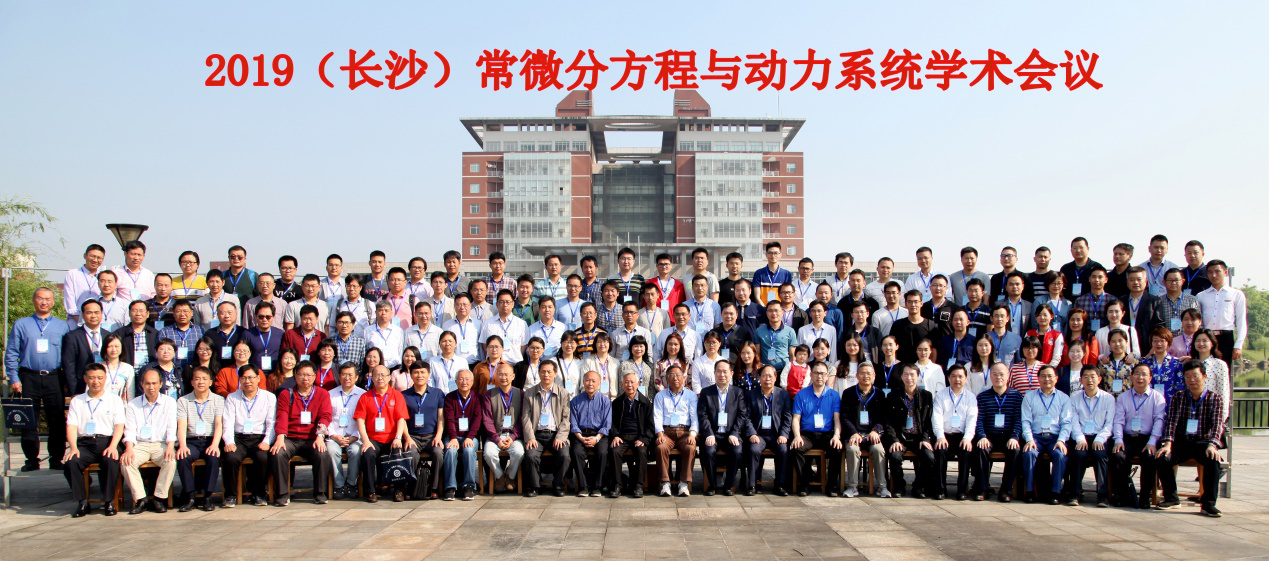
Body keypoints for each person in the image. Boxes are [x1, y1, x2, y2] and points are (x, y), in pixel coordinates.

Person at [5, 287, 71, 471]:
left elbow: (67, 355)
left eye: (48, 299)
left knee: (56, 420)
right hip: (28, 377)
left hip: (54, 377)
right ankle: (31, 460)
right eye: (40, 298)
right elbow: (11, 352)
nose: (44, 302)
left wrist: (67, 381)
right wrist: (13, 378)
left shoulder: (62, 326)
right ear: (34, 300)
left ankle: (56, 459)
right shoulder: (21, 324)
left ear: (53, 302)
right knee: (28, 420)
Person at [1155, 359, 1226, 517]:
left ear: (1204, 377)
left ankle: (1208, 504)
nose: (1192, 380)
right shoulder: (1179, 397)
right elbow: (1171, 422)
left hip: (1203, 442)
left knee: (1213, 461)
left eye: (1195, 376)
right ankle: (1171, 498)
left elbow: (1217, 425)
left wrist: (1212, 445)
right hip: (1182, 442)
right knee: (1162, 457)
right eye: (1188, 377)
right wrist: (1167, 444)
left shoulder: (1215, 399)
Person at [63, 363, 127, 517]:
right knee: (71, 462)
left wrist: (113, 446)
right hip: (85, 443)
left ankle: (109, 501)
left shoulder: (114, 400)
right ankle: (83, 502)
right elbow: (71, 426)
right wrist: (73, 447)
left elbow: (119, 426)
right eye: (91, 378)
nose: (96, 381)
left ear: (105, 379)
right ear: (85, 379)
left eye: (99, 378)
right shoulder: (77, 401)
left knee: (111, 460)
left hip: (107, 441)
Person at [270, 361, 333, 506]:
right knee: (278, 453)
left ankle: (320, 493)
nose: (305, 378)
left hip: (312, 438)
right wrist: (280, 438)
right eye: (302, 374)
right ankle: (282, 494)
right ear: (295, 375)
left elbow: (325, 416)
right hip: (291, 438)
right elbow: (281, 416)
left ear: (315, 376)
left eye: (309, 375)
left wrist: (320, 436)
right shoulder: (286, 394)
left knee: (322, 453)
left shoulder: (322, 394)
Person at [120, 367, 178, 514]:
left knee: (170, 461)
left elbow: (172, 428)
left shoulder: (169, 402)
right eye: (147, 383)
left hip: (161, 444)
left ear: (160, 384)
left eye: (154, 383)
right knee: (126, 462)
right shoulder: (133, 404)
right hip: (140, 444)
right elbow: (130, 430)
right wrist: (129, 449)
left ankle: (159, 498)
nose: (151, 387)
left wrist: (170, 447)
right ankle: (141, 499)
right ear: (142, 385)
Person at [1110, 364, 1166, 509]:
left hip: (1147, 438)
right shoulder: (1123, 397)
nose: (1140, 377)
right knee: (1117, 455)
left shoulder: (1157, 397)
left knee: (1149, 457)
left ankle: (1145, 497)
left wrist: (1152, 442)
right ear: (1131, 377)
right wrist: (1118, 440)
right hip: (1128, 437)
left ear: (1150, 378)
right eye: (1137, 374)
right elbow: (1118, 420)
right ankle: (1123, 494)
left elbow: (1159, 421)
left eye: (1144, 374)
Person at [220, 364, 276, 507]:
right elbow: (227, 422)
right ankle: (230, 495)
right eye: (244, 378)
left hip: (259, 437)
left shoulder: (269, 397)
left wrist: (267, 441)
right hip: (239, 438)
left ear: (258, 378)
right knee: (231, 458)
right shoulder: (232, 397)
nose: (247, 381)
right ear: (239, 380)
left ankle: (259, 494)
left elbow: (271, 423)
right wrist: (229, 442)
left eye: (251, 377)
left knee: (263, 458)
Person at [354, 365, 412, 502]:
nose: (380, 378)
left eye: (383, 375)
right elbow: (360, 420)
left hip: (392, 438)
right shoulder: (365, 397)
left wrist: (398, 437)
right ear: (372, 378)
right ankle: (370, 491)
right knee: (367, 454)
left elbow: (401, 419)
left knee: (398, 452)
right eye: (376, 375)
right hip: (373, 439)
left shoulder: (397, 395)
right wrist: (365, 441)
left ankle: (399, 490)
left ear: (389, 377)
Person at [789, 361, 844, 497]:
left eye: (822, 373)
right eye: (816, 373)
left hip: (826, 434)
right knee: (796, 447)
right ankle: (804, 485)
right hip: (807, 434)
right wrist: (797, 436)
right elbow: (796, 419)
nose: (819, 376)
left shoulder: (834, 395)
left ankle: (831, 486)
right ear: (811, 375)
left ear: (827, 376)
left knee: (837, 448)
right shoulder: (801, 394)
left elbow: (837, 420)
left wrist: (836, 436)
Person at [174, 366, 224, 512]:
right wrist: (182, 445)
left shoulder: (218, 400)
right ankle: (190, 497)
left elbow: (219, 423)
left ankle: (208, 497)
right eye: (197, 379)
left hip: (210, 440)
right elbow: (181, 425)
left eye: (204, 379)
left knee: (213, 458)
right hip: (192, 441)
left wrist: (215, 444)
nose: (201, 382)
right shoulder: (183, 401)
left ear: (210, 382)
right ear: (192, 382)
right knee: (183, 457)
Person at [1020, 365, 1072, 504]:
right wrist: (1029, 439)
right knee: (1029, 453)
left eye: (1050, 376)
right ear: (1038, 378)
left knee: (1060, 455)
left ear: (1056, 378)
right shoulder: (1029, 397)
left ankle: (1055, 492)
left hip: (1055, 437)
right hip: (1036, 437)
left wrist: (1061, 440)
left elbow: (1066, 423)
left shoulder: (1064, 398)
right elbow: (1026, 421)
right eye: (1043, 376)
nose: (1046, 379)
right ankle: (1030, 491)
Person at [1062, 367, 1114, 507]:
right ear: (1080, 380)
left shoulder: (1108, 399)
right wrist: (1080, 438)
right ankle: (1075, 494)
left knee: (1100, 454)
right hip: (1081, 436)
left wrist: (1100, 438)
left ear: (1099, 379)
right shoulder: (1074, 399)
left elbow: (1109, 423)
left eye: (1093, 376)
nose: (1089, 380)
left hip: (1100, 436)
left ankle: (1102, 496)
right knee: (1078, 454)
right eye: (1085, 377)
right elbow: (1073, 422)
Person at [521, 361, 572, 497]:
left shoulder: (563, 393)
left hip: (556, 434)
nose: (546, 375)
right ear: (539, 373)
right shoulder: (529, 393)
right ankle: (535, 486)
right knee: (531, 455)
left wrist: (560, 437)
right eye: (543, 371)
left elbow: (566, 419)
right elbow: (525, 418)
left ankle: (558, 485)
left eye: (549, 372)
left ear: (555, 374)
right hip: (536, 435)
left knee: (565, 455)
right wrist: (530, 437)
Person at [883, 365, 934, 498]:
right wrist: (894, 440)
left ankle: (918, 486)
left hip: (919, 437)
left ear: (918, 376)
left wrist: (925, 438)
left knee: (929, 457)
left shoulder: (926, 396)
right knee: (894, 456)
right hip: (901, 437)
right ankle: (899, 486)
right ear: (901, 376)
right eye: (906, 374)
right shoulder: (893, 396)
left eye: (912, 375)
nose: (909, 378)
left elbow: (929, 421)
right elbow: (888, 422)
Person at [698, 360, 748, 496]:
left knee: (737, 451)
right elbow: (702, 415)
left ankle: (729, 485)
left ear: (731, 373)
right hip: (713, 434)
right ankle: (712, 485)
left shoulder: (738, 392)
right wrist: (709, 434)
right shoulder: (706, 392)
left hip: (730, 434)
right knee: (707, 451)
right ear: (714, 373)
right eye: (719, 371)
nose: (722, 375)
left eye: (725, 371)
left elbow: (742, 415)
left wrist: (735, 433)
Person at [975, 363, 1023, 502]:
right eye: (995, 374)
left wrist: (1014, 436)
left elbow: (1019, 420)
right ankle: (983, 489)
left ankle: (1006, 490)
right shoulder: (982, 397)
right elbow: (979, 420)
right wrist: (982, 436)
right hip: (989, 436)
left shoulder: (1017, 397)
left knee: (1015, 450)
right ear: (990, 376)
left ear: (1008, 376)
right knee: (980, 449)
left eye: (1002, 374)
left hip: (1008, 437)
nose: (998, 377)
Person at [841, 362, 888, 498]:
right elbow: (844, 417)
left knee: (878, 450)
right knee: (852, 449)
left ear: (874, 376)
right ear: (857, 376)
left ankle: (882, 487)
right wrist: (854, 433)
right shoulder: (848, 393)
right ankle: (852, 486)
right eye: (862, 373)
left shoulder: (879, 394)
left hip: (872, 435)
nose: (865, 376)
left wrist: (875, 431)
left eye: (868, 373)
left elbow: (883, 418)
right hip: (854, 434)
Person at [932, 365, 978, 500]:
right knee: (940, 450)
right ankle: (940, 489)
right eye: (953, 376)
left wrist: (967, 438)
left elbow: (972, 419)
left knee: (966, 451)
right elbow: (936, 417)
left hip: (962, 435)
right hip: (944, 435)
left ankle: (962, 490)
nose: (957, 379)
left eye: (960, 376)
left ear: (966, 378)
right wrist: (940, 436)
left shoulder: (971, 397)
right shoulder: (941, 395)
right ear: (948, 378)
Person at [402, 362, 446, 498]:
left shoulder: (437, 393)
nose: (419, 375)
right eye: (416, 372)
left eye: (422, 372)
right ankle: (411, 488)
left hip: (431, 436)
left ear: (429, 374)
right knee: (411, 454)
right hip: (413, 436)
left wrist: (438, 436)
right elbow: (402, 419)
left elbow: (441, 417)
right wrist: (407, 438)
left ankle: (434, 488)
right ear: (411, 375)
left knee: (438, 453)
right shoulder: (404, 395)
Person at [652, 365, 697, 497]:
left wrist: (692, 434)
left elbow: (694, 417)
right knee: (660, 447)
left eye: (678, 375)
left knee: (690, 447)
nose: (675, 378)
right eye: (671, 375)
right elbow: (657, 416)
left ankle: (684, 483)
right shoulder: (660, 396)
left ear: (684, 378)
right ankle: (665, 483)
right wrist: (660, 434)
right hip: (667, 432)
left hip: (685, 432)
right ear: (666, 378)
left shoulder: (691, 395)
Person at [609, 370, 655, 498]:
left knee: (642, 451)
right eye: (626, 382)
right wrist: (615, 435)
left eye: (632, 382)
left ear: (638, 384)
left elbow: (650, 426)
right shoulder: (617, 403)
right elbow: (611, 423)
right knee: (614, 451)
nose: (629, 385)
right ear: (621, 384)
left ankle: (639, 485)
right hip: (622, 437)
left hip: (639, 437)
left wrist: (644, 439)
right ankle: (617, 485)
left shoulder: (646, 403)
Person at [1195, 260, 1245, 373]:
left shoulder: (1236, 294)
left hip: (1226, 337)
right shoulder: (1201, 296)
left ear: (1225, 272)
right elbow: (1198, 321)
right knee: (1204, 372)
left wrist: (1238, 345)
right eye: (1210, 272)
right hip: (1207, 337)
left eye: (1217, 271)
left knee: (1224, 373)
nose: (1214, 275)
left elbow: (1241, 321)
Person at [483, 363, 525, 494]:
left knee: (519, 452)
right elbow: (487, 420)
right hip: (495, 436)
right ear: (496, 376)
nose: (503, 377)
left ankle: (510, 476)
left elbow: (522, 419)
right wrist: (496, 439)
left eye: (507, 374)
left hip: (514, 436)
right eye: (500, 374)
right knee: (488, 453)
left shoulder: (521, 394)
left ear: (513, 376)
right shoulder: (489, 395)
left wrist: (513, 437)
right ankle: (500, 476)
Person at [568, 370, 612, 497]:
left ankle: (597, 486)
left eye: (593, 381)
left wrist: (597, 438)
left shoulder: (605, 401)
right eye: (587, 380)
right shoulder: (575, 401)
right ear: (583, 382)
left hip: (599, 435)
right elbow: (573, 424)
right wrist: (581, 438)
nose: (590, 384)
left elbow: (607, 425)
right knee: (576, 452)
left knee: (603, 452)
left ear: (599, 383)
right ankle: (583, 486)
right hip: (580, 434)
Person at [443, 369, 485, 501]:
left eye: (467, 379)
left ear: (472, 382)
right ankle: (450, 487)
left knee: (469, 450)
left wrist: (470, 437)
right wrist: (453, 437)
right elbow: (449, 419)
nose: (464, 382)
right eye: (461, 379)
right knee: (450, 451)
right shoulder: (450, 397)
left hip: (470, 436)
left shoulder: (478, 397)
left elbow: (477, 420)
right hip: (453, 436)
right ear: (456, 381)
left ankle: (469, 486)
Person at [327, 362, 366, 500]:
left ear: (356, 377)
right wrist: (333, 435)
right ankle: (338, 485)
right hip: (335, 435)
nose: (347, 378)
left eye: (350, 375)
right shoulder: (330, 394)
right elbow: (326, 418)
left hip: (355, 436)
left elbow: (365, 420)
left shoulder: (363, 395)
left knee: (355, 451)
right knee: (331, 450)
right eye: (344, 374)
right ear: (339, 376)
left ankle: (351, 484)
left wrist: (355, 436)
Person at [63, 299, 106, 397]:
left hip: (104, 386)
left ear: (101, 314)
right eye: (89, 313)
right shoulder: (72, 337)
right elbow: (69, 366)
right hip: (81, 387)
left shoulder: (108, 335)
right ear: (82, 315)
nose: (93, 316)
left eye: (96, 312)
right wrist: (74, 391)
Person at [1191, 329, 1231, 424]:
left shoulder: (1219, 364)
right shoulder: (1190, 364)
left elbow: (1223, 392)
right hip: (1192, 412)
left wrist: (1222, 416)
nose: (1201, 343)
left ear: (1212, 343)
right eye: (1198, 340)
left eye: (1205, 340)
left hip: (1212, 411)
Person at [63, 244, 106, 327]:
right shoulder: (73, 274)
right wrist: (83, 323)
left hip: (97, 324)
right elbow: (69, 302)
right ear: (85, 256)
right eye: (92, 256)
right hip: (75, 324)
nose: (95, 260)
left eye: (99, 258)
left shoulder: (103, 277)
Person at [481, 290, 528, 364]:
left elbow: (523, 346)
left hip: (515, 364)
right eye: (501, 302)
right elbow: (484, 345)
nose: (505, 305)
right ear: (497, 304)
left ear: (513, 304)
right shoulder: (487, 323)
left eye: (508, 302)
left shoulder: (521, 324)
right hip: (494, 365)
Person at [891, 290, 936, 364]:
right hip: (903, 367)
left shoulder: (930, 325)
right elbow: (893, 348)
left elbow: (934, 349)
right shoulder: (897, 325)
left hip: (923, 367)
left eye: (916, 301)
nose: (913, 304)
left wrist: (931, 367)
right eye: (910, 302)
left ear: (921, 303)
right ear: (906, 304)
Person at [755, 301, 797, 373]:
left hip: (784, 370)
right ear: (766, 313)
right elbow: (757, 354)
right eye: (770, 311)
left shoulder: (790, 331)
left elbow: (792, 355)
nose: (774, 313)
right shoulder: (759, 331)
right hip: (766, 371)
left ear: (782, 312)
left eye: (776, 310)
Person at [1142, 328, 1185, 399]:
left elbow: (1180, 386)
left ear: (1168, 342)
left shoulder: (1176, 363)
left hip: (1170, 401)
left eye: (1162, 341)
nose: (1158, 344)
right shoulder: (1145, 363)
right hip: (1149, 401)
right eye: (1155, 341)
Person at [245, 302, 284, 376]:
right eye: (261, 317)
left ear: (273, 317)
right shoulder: (248, 334)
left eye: (268, 317)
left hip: (275, 375)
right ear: (256, 317)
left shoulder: (280, 334)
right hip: (254, 375)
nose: (264, 319)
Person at [367, 300, 406, 369]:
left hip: (395, 367)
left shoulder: (398, 331)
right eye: (380, 310)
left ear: (391, 313)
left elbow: (401, 351)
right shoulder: (368, 331)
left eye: (386, 310)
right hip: (375, 368)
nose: (383, 313)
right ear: (376, 313)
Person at [1160, 268, 1201, 335]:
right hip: (1166, 339)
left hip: (1186, 339)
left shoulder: (1192, 300)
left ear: (1183, 281)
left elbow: (1198, 322)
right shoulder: (1159, 301)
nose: (1173, 283)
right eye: (1170, 280)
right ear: (1164, 282)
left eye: (1176, 280)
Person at [922, 275, 961, 341]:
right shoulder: (923, 307)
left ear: (946, 288)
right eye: (935, 285)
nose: (938, 288)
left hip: (946, 345)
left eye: (941, 285)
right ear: (930, 288)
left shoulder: (954, 308)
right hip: (926, 345)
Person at [100, 334, 136, 401]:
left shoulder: (128, 368)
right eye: (110, 346)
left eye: (116, 346)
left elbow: (130, 394)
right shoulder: (99, 368)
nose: (114, 349)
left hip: (121, 406)